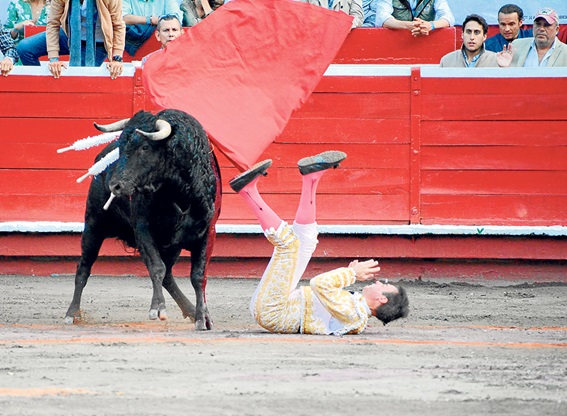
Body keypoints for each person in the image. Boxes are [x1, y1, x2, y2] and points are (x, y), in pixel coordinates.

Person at [228, 151, 409, 335]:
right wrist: (349, 273)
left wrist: (351, 274)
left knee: (289, 246)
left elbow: (319, 284)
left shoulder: (355, 315)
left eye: (384, 285)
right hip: (282, 303)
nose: (379, 282)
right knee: (306, 241)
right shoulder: (355, 309)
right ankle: (311, 176)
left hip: (274, 311)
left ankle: (248, 191)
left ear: (381, 299)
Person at [16, 0, 125, 79]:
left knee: (78, 78)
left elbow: (118, 25)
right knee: (25, 47)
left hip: (96, 43)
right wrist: (54, 59)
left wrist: (117, 59)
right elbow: (53, 23)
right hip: (69, 36)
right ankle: (39, 87)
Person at [440, 14, 512, 68]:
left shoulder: (496, 60)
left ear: (484, 36)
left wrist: (504, 69)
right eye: (468, 32)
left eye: (476, 32)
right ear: (462, 34)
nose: (472, 37)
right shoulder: (447, 61)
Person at [373, 0, 454, 36]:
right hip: (395, 44)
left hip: (425, 43)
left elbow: (449, 18)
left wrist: (431, 25)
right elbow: (382, 19)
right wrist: (406, 25)